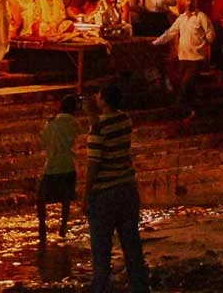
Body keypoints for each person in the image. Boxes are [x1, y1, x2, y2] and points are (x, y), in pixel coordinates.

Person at [84, 84, 150, 293]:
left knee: (101, 252)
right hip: (127, 188)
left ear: (103, 98)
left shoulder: (99, 127)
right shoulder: (125, 119)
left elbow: (94, 164)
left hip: (105, 192)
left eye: (98, 94)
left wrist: (86, 194)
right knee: (132, 246)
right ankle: (141, 287)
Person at [153, 0, 215, 117]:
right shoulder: (181, 18)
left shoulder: (201, 17)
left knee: (186, 83)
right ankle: (192, 110)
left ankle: (180, 108)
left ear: (196, 2)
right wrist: (155, 43)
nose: (189, 3)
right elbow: (170, 33)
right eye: (187, 0)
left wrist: (204, 43)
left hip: (196, 58)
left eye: (192, 1)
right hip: (183, 57)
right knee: (187, 85)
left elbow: (210, 33)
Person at [38, 95, 80, 244]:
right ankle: (63, 227)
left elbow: (43, 141)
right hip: (68, 164)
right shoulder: (74, 123)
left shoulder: (52, 123)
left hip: (53, 165)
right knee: (66, 198)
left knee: (41, 198)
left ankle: (42, 227)